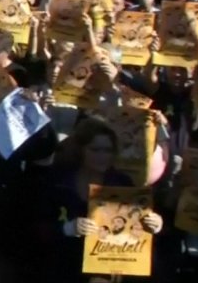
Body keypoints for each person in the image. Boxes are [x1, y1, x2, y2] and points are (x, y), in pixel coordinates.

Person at [34, 120, 164, 283]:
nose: (102, 156)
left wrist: (155, 224)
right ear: (81, 150)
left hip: (109, 268)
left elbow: (137, 225)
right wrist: (67, 228)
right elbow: (38, 228)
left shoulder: (122, 182)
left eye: (108, 150)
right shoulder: (60, 182)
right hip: (66, 265)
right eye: (95, 150)